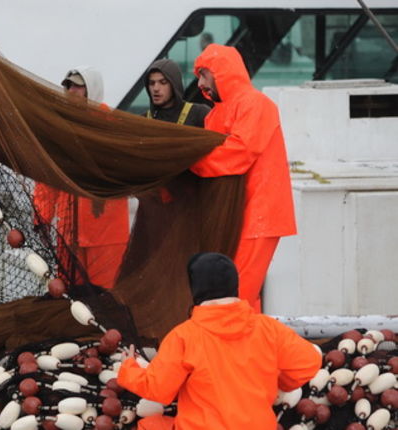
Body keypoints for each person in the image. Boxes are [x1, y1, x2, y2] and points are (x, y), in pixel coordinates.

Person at [117, 252, 321, 430]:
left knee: (148, 425)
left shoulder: (184, 336)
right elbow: (308, 363)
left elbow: (158, 390)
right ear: (234, 285)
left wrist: (129, 368)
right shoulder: (269, 328)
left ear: (195, 289)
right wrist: (277, 381)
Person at [189, 44, 296, 312]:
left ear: (221, 73)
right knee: (241, 292)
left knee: (239, 292)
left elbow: (239, 153)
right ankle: (251, 346)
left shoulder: (257, 104)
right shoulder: (214, 114)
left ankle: (238, 348)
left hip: (260, 212)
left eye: (204, 74)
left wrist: (189, 160)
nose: (200, 82)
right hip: (234, 214)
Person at [33, 67, 129, 289]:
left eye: (77, 86)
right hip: (70, 229)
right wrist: (42, 219)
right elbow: (49, 178)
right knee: (71, 295)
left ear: (91, 89)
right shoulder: (61, 126)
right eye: (68, 86)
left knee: (106, 295)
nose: (71, 90)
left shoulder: (113, 124)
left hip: (106, 231)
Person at [143, 59, 210, 127]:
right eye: (151, 83)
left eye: (163, 82)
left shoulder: (199, 114)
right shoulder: (143, 122)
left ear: (174, 84)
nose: (155, 88)